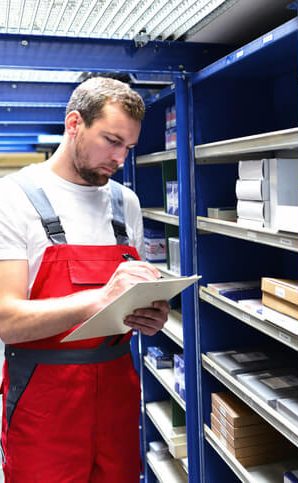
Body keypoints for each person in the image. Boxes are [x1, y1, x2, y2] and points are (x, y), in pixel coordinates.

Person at [0, 77, 170, 482]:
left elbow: (130, 295)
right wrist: (99, 300)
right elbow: (6, 320)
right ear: (74, 124)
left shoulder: (123, 201)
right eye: (111, 140)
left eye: (128, 147)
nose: (120, 158)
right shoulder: (14, 197)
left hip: (116, 390)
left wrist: (148, 313)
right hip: (44, 398)